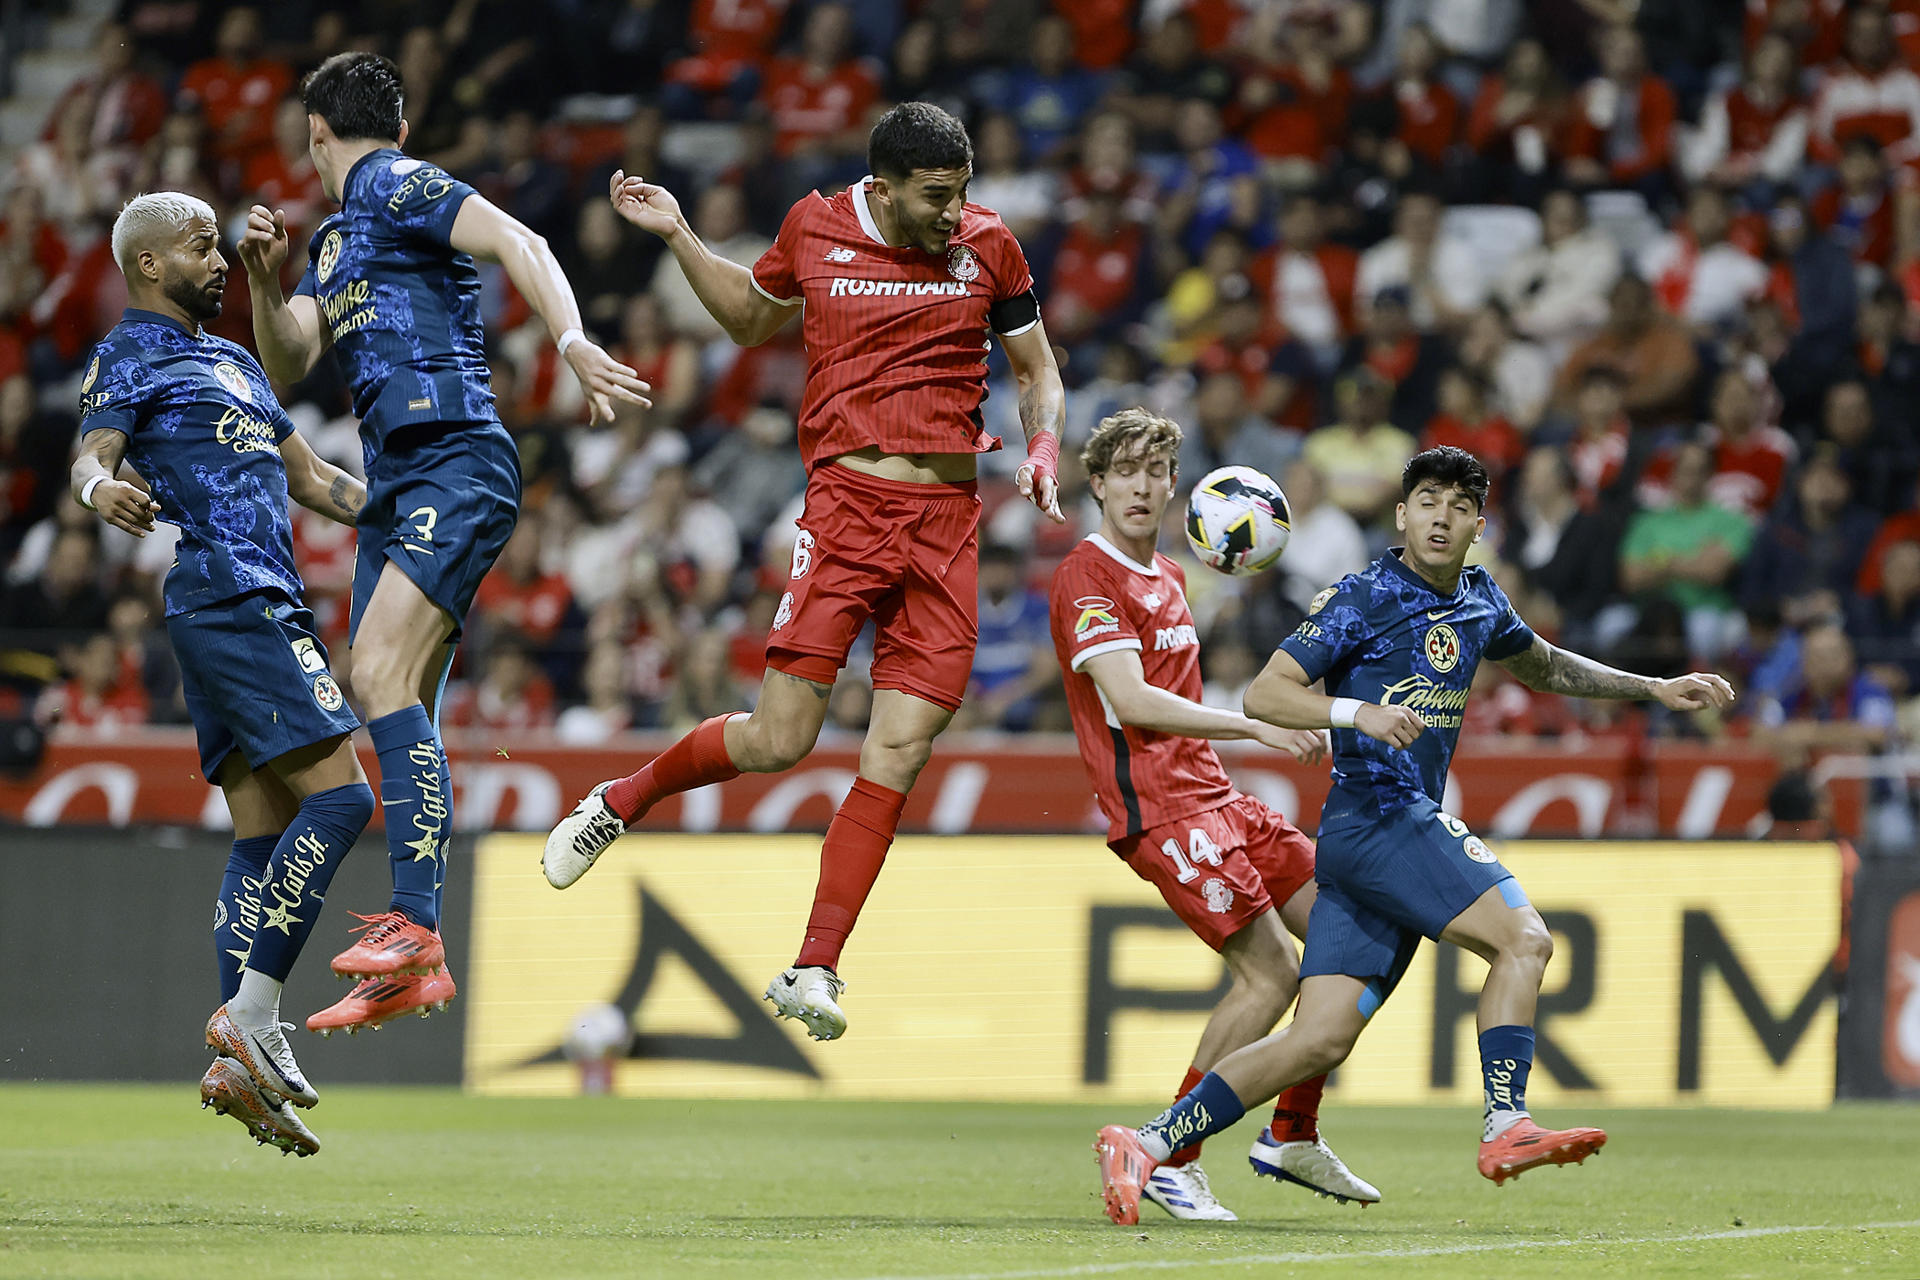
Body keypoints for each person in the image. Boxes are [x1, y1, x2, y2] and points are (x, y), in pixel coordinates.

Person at [1091, 446, 1734, 1225]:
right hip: (1381, 818)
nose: (1441, 516)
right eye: (1428, 500)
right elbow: (1267, 692)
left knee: (1317, 1039)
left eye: (1459, 506)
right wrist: (1353, 712)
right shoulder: (1362, 596)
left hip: (1365, 845)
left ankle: (1150, 1144)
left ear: (1477, 525)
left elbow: (1545, 666)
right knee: (1524, 940)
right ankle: (1506, 1123)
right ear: (1402, 514)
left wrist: (1652, 687)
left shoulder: (1480, 597)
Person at [542, 101, 1066, 1041]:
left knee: (899, 750)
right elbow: (749, 317)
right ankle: (625, 798)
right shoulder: (816, 225)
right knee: (781, 738)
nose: (955, 214)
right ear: (884, 186)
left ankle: (815, 965)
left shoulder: (990, 245)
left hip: (947, 521)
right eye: (937, 198)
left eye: (962, 195)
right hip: (847, 511)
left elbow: (1035, 367)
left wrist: (1043, 446)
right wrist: (680, 236)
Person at [241, 52, 647, 1034]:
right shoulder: (336, 243)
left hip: (454, 458)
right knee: (391, 692)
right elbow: (289, 356)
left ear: (314, 133)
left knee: (376, 673)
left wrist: (571, 341)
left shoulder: (390, 181)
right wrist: (262, 278)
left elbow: (518, 237)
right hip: (399, 486)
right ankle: (416, 949)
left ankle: (415, 932)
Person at [71, 191, 379, 1156]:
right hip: (234, 595)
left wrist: (422, 526)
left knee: (263, 829)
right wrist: (99, 487)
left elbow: (314, 481)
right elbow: (94, 449)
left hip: (240, 605)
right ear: (149, 265)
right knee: (344, 805)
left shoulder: (236, 360)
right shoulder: (130, 351)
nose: (218, 259)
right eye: (200, 246)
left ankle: (233, 1052)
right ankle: (253, 1014)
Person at [1051, 408, 1377, 1221]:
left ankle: (1292, 1131)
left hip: (1219, 798)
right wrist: (1255, 723)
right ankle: (1171, 1154)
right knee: (1272, 975)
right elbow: (1128, 700)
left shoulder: (1170, 575)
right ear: (1096, 484)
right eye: (1124, 471)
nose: (1141, 485)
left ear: (1174, 487)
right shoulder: (1085, 577)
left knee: (1354, 931)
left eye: (1155, 472)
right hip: (1161, 810)